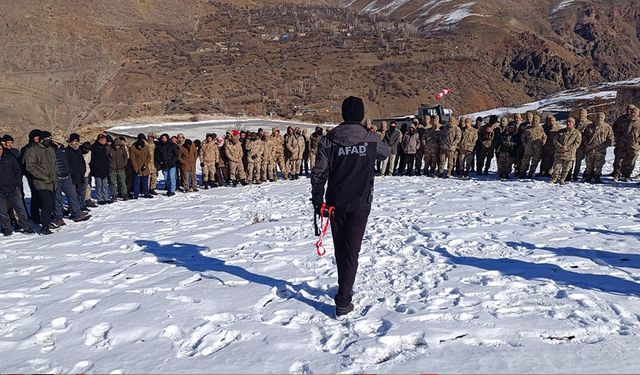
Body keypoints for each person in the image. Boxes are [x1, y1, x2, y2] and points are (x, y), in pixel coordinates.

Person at [311, 96, 391, 317]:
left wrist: (317, 201)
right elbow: (386, 153)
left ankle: (344, 287)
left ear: (343, 114)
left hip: (335, 203)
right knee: (351, 250)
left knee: (341, 249)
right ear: (361, 115)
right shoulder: (370, 138)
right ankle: (344, 299)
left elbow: (318, 174)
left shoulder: (329, 140)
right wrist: (370, 135)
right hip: (360, 203)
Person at [23, 131, 58, 234]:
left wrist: (57, 175)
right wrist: (43, 177)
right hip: (41, 182)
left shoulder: (50, 149)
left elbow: (54, 164)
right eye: (47, 139)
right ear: (41, 140)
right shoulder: (33, 150)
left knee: (51, 204)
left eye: (50, 139)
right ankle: (44, 227)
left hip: (53, 181)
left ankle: (46, 221)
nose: (49, 141)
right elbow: (30, 166)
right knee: (46, 204)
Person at [51, 136, 90, 225]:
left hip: (66, 176)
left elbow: (66, 161)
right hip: (57, 177)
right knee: (57, 199)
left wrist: (69, 171)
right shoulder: (50, 149)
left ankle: (77, 213)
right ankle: (59, 217)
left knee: (73, 196)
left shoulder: (62, 149)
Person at [0, 142, 33, 235]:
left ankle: (25, 226)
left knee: (20, 209)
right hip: (1, 191)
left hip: (13, 189)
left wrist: (17, 184)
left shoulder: (9, 158)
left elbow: (18, 171)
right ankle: (7, 228)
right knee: (2, 211)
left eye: (1, 149)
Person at [583, 112, 614, 184]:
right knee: (589, 164)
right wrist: (587, 144)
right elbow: (584, 137)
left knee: (599, 164)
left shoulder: (607, 127)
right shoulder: (589, 126)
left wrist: (605, 145)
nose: (599, 119)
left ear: (604, 118)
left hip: (601, 150)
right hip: (590, 149)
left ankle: (597, 177)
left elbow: (610, 138)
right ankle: (588, 177)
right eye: (598, 117)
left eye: (601, 117)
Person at [551, 118, 582, 185]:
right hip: (559, 153)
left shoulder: (577, 133)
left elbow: (577, 143)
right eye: (567, 122)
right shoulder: (560, 131)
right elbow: (555, 140)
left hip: (569, 154)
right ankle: (554, 179)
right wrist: (560, 147)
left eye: (570, 122)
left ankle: (562, 179)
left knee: (566, 168)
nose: (568, 123)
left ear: (573, 124)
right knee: (556, 167)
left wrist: (567, 148)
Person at [611, 104, 636, 177]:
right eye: (628, 109)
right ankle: (616, 172)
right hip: (621, 142)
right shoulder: (621, 118)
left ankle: (626, 173)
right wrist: (618, 137)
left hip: (632, 144)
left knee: (630, 159)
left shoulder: (637, 120)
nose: (629, 110)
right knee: (618, 158)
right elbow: (614, 127)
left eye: (631, 109)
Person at [65, 133, 88, 212]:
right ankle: (72, 210)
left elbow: (82, 162)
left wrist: (83, 171)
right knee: (72, 195)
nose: (75, 143)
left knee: (78, 193)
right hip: (71, 177)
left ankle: (78, 208)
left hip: (80, 176)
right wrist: (70, 173)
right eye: (74, 141)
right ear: (70, 142)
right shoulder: (67, 151)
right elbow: (66, 164)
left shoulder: (78, 151)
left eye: (77, 141)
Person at [616, 107, 640, 182]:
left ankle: (627, 175)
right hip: (623, 144)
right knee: (619, 160)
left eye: (635, 113)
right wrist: (619, 139)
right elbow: (617, 131)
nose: (633, 114)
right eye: (632, 112)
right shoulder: (624, 121)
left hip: (634, 145)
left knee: (631, 161)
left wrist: (637, 141)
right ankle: (617, 174)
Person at [520, 115, 547, 179]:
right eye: (534, 121)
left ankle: (531, 173)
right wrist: (525, 144)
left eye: (536, 121)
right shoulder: (528, 128)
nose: (535, 122)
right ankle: (522, 173)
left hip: (538, 148)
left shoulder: (541, 129)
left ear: (538, 121)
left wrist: (543, 143)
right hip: (528, 148)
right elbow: (523, 137)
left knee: (535, 162)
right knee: (525, 161)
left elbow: (544, 137)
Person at [129, 133, 153, 199]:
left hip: (145, 168)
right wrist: (136, 169)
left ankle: (146, 193)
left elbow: (149, 156)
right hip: (137, 168)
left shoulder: (145, 147)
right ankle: (136, 194)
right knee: (136, 182)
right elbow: (132, 159)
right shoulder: (133, 148)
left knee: (145, 182)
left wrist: (146, 164)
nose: (140, 147)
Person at [571, 109, 592, 181]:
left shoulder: (589, 124)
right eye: (580, 113)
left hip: (582, 145)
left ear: (586, 114)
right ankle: (568, 174)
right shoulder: (574, 122)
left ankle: (575, 175)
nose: (581, 114)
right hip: (572, 145)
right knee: (571, 160)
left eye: (583, 113)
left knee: (578, 161)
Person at [90, 134, 111, 205]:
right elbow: (92, 160)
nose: (105, 141)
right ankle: (99, 199)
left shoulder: (104, 147)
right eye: (103, 140)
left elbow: (106, 158)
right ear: (100, 140)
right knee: (99, 185)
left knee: (105, 185)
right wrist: (95, 167)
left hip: (104, 168)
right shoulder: (94, 147)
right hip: (97, 169)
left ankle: (106, 198)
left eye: (105, 140)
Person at [107, 138, 129, 202]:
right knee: (112, 183)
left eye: (118, 145)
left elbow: (125, 157)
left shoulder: (122, 149)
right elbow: (107, 157)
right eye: (116, 145)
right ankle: (114, 195)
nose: (117, 146)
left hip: (121, 169)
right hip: (112, 169)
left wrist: (124, 163)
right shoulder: (109, 149)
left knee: (122, 182)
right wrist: (109, 165)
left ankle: (124, 194)